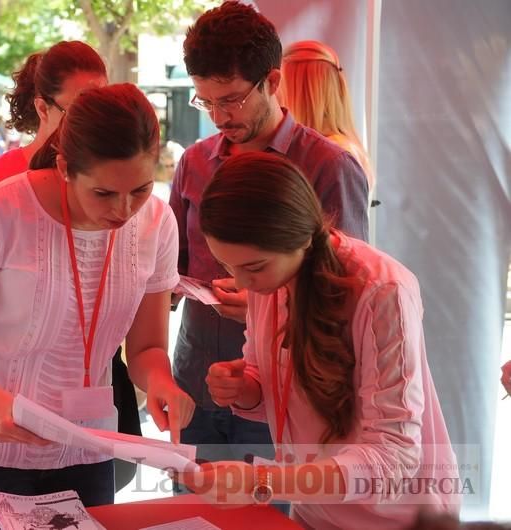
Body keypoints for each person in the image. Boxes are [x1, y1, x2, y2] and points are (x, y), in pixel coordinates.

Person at [0, 83, 195, 508]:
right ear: (65, 167)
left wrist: (162, 382)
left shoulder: (157, 223)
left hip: (87, 445)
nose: (123, 211)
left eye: (139, 190)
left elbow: (147, 347)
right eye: (103, 193)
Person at [177, 151, 459, 529]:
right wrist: (243, 387)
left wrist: (263, 481)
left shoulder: (381, 291)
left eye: (253, 267)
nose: (242, 285)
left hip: (399, 518)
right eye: (227, 266)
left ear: (301, 238)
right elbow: (271, 386)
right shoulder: (271, 282)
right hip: (315, 508)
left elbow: (393, 457)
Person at [170, 1, 370, 493]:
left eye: (233, 100)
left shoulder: (328, 167)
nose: (219, 116)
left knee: (268, 514)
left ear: (273, 82)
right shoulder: (194, 164)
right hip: (196, 377)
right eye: (206, 101)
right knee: (190, 514)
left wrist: (265, 307)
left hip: (286, 391)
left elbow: (351, 293)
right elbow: (168, 271)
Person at [0, 40, 107, 234]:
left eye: (104, 107)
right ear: (43, 109)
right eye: (81, 110)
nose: (97, 119)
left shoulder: (115, 182)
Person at [280, 40, 375, 191]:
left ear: (302, 94)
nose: (277, 98)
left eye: (281, 87)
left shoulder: (335, 156)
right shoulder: (339, 149)